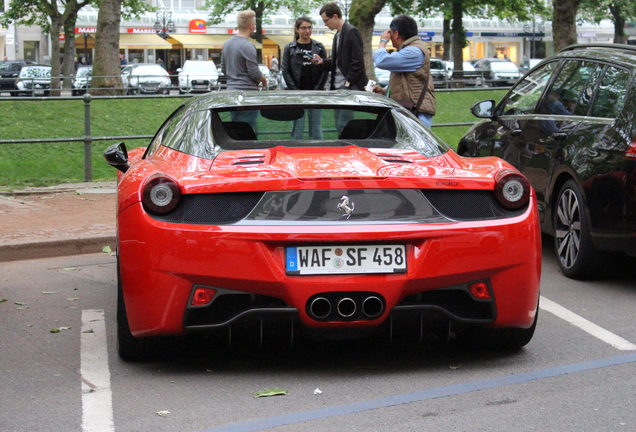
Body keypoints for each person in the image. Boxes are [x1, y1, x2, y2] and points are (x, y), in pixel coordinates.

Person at [312, 2, 367, 134]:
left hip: (347, 87)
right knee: (339, 124)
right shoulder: (338, 35)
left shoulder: (351, 31)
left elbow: (357, 60)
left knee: (344, 124)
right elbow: (339, 62)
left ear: (335, 16)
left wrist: (349, 81)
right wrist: (322, 62)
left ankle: (347, 150)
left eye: (326, 20)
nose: (325, 24)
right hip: (337, 87)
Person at [372, 15, 436, 128]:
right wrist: (384, 90)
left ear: (396, 34)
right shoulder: (410, 49)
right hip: (411, 110)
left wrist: (382, 41)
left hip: (416, 112)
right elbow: (406, 81)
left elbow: (381, 61)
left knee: (416, 145)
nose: (390, 38)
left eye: (390, 34)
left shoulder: (413, 51)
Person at [282, 16, 329, 139]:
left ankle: (318, 152)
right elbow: (285, 70)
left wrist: (318, 89)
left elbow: (325, 69)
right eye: (303, 28)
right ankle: (295, 153)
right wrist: (294, 90)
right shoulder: (290, 48)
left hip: (316, 93)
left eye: (309, 27)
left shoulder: (318, 46)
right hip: (297, 93)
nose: (307, 31)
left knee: (316, 129)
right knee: (298, 128)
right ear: (297, 29)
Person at [221, 9, 268, 128]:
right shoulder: (247, 46)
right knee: (249, 128)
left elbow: (223, 69)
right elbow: (254, 73)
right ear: (251, 25)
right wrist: (263, 80)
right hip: (247, 94)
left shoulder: (227, 44)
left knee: (236, 128)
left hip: (231, 92)